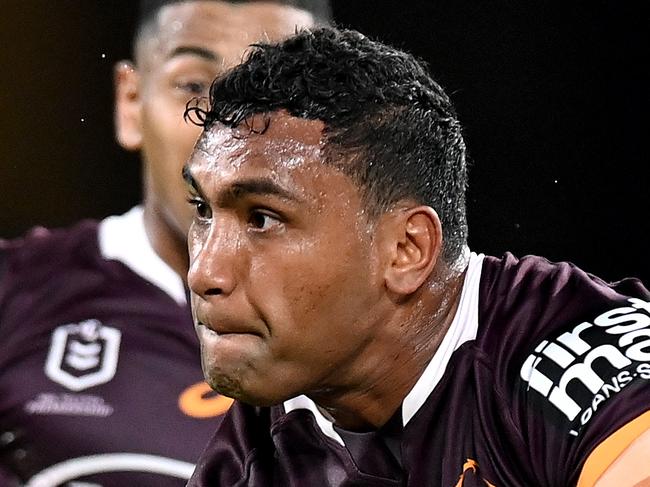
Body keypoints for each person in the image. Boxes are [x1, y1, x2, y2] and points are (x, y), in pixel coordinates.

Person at [182, 27, 650, 486]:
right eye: (202, 210)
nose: (204, 273)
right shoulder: (255, 454)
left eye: (262, 218)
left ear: (407, 249)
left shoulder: (585, 368)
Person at [0, 2, 329, 486]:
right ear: (131, 102)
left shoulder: (403, 338)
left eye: (276, 91)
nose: (229, 130)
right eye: (194, 86)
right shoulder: (14, 296)